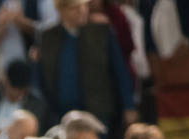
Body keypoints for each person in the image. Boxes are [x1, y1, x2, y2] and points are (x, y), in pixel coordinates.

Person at [34, 0, 135, 131]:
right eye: (75, 8)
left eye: (84, 6)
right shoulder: (47, 36)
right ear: (61, 11)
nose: (82, 11)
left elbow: (120, 70)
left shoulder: (101, 32)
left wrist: (129, 106)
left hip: (97, 111)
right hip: (60, 114)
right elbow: (40, 75)